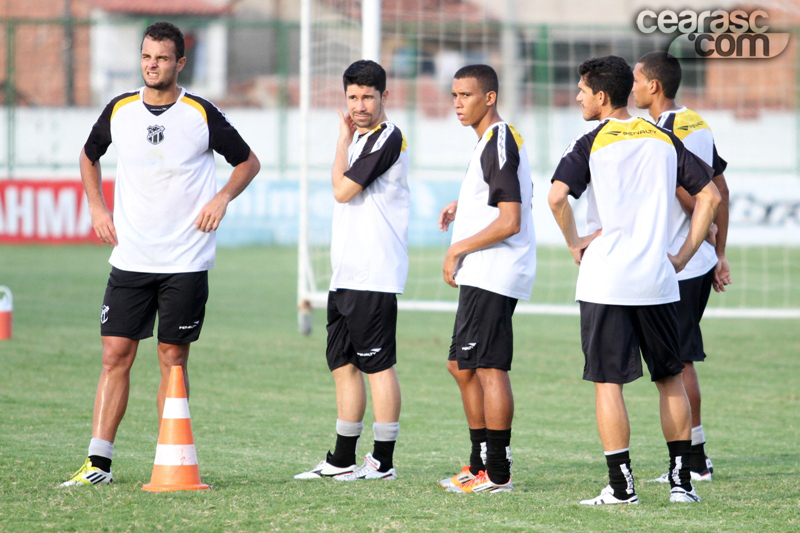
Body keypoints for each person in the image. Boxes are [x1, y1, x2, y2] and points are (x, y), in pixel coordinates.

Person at [61, 21, 260, 486]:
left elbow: (248, 162)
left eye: (162, 58)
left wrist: (221, 198)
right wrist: (96, 205)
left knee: (172, 357)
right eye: (147, 57)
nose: (153, 65)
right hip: (131, 256)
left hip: (185, 259)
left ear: (180, 63)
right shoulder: (120, 109)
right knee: (115, 354)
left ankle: (170, 454)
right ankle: (98, 463)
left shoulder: (199, 113)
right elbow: (88, 155)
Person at [547, 56, 720, 504]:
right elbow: (710, 195)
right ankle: (682, 483)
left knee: (609, 384)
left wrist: (574, 242)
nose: (579, 97)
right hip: (658, 279)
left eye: (583, 90)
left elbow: (556, 197)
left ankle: (622, 487)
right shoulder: (663, 139)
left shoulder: (590, 141)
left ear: (601, 96)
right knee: (670, 380)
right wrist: (683, 255)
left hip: (606, 279)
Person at [294, 60, 409, 481]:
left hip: (375, 273)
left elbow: (342, 190)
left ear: (384, 96)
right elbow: (340, 183)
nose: (359, 105)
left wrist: (343, 141)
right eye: (353, 97)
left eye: (368, 96)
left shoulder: (389, 137)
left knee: (378, 366)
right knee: (343, 364)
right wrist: (344, 139)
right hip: (345, 275)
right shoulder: (358, 140)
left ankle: (382, 460)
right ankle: (342, 459)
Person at [632, 51, 731, 483]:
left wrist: (702, 229)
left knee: (679, 362)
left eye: (635, 81)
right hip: (696, 260)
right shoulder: (698, 123)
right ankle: (696, 457)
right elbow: (723, 188)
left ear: (654, 86)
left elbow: (700, 194)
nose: (631, 88)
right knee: (681, 359)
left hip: (680, 263)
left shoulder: (662, 132)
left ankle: (695, 460)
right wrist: (719, 250)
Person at [437, 64, 536, 493]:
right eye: (455, 95)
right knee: (461, 366)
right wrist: (465, 205)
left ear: (489, 97)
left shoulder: (498, 139)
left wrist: (457, 247)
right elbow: (501, 193)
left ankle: (497, 473)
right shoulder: (489, 143)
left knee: (489, 368)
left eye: (467, 95)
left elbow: (511, 219)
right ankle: (479, 463)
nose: (458, 103)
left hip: (494, 270)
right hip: (484, 271)